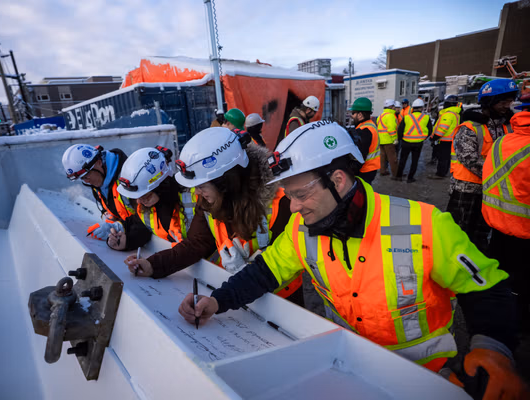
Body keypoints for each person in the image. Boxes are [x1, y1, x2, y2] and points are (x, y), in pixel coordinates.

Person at [177, 121, 529, 399]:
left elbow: (487, 288)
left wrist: (492, 349)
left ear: (338, 180)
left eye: (300, 194)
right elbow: (264, 272)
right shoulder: (302, 230)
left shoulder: (424, 225)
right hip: (348, 370)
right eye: (290, 195)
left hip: (426, 379)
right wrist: (217, 301)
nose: (293, 207)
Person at [126, 127, 304, 305]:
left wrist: (248, 273)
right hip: (234, 295)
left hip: (282, 304)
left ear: (225, 181)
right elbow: (196, 243)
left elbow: (285, 262)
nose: (197, 192)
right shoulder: (209, 202)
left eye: (201, 186)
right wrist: (153, 265)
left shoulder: (281, 203)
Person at [447, 79, 517, 253]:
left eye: (509, 101)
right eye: (503, 102)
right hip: (466, 189)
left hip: (492, 190)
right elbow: (470, 159)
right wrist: (504, 176)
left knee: (481, 232)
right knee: (458, 232)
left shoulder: (508, 126)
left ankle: (478, 262)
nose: (507, 106)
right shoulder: (470, 127)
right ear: (489, 101)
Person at [482, 101, 530, 332]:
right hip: (523, 228)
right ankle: (516, 323)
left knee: (500, 272)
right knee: (521, 281)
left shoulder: (502, 140)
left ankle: (495, 315)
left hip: (497, 220)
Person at [105, 146, 199, 252]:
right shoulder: (147, 207)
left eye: (145, 195)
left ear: (161, 187)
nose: (138, 201)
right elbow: (142, 227)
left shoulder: (195, 197)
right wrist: (126, 242)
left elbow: (204, 241)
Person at [62, 144, 135, 240]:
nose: (86, 181)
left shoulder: (130, 180)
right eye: (82, 178)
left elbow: (146, 218)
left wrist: (120, 227)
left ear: (99, 162)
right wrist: (108, 216)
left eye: (86, 175)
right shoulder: (99, 179)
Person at [396, 98, 433, 183]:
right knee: (415, 161)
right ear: (421, 108)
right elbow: (430, 130)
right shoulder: (426, 117)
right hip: (418, 143)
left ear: (413, 108)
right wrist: (423, 137)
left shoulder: (407, 117)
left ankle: (398, 176)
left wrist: (401, 139)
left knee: (402, 160)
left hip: (406, 142)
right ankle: (410, 178)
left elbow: (400, 130)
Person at [429, 95, 462, 179]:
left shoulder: (448, 114)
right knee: (446, 158)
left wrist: (434, 137)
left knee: (442, 158)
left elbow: (442, 128)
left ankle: (440, 174)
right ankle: (444, 172)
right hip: (451, 140)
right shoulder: (455, 114)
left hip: (445, 140)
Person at [348, 97, 379, 184]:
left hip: (365, 170)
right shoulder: (370, 125)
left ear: (360, 115)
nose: (351, 116)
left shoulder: (364, 131)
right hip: (371, 167)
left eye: (353, 113)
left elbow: (359, 157)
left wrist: (349, 171)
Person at [377, 99, 399, 178]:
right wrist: (394, 139)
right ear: (391, 106)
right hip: (389, 140)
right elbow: (391, 129)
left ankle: (382, 171)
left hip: (381, 140)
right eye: (394, 106)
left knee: (382, 157)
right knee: (392, 158)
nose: (395, 108)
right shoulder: (390, 116)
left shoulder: (380, 116)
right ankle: (396, 174)